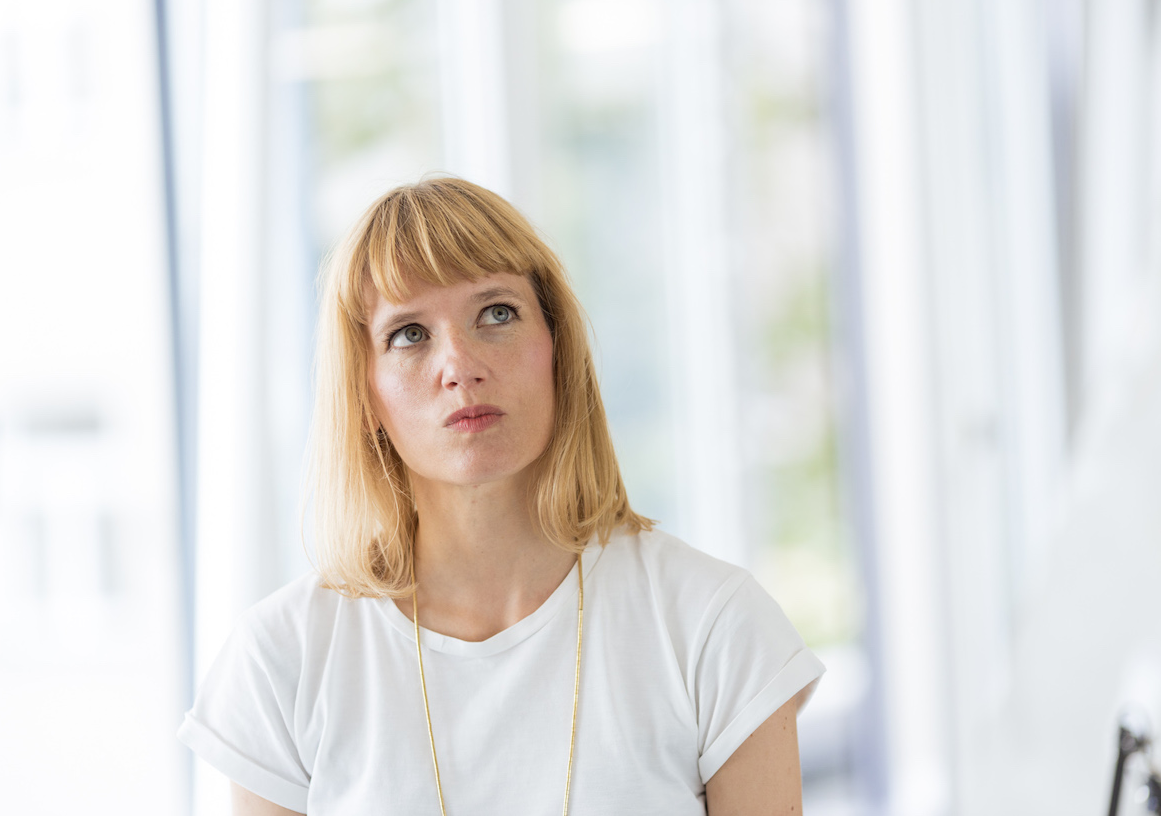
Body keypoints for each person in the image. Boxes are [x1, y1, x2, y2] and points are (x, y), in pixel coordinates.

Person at [176, 176, 825, 815]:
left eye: (497, 313)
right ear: (363, 393)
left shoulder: (711, 623)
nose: (459, 364)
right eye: (409, 333)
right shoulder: (283, 658)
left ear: (556, 347)